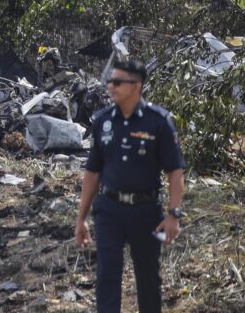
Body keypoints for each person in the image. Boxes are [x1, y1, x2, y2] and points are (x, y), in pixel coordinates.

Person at [75, 59, 186, 313]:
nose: (110, 87)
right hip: (109, 211)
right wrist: (81, 218)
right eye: (109, 81)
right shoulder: (102, 121)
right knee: (106, 278)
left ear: (136, 86)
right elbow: (93, 172)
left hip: (146, 212)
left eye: (116, 82)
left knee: (148, 280)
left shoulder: (158, 121)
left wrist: (173, 214)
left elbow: (175, 172)